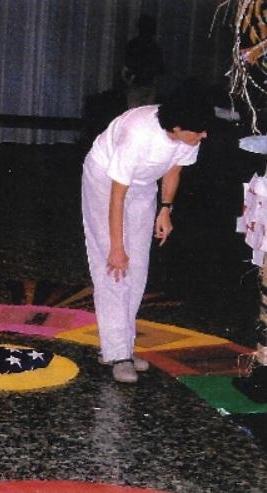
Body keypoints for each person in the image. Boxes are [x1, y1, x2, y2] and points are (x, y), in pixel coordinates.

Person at [81, 84, 213, 383]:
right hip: (105, 180)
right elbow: (117, 195)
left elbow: (174, 170)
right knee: (114, 266)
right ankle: (117, 354)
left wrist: (165, 209)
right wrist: (116, 247)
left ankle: (120, 347)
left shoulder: (189, 133)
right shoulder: (138, 135)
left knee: (138, 265)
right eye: (199, 131)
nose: (204, 135)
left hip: (143, 185)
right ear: (176, 128)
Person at [123, 14, 164, 108]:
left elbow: (126, 68)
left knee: (133, 113)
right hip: (149, 85)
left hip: (136, 85)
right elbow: (160, 69)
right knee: (147, 113)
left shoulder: (133, 45)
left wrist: (130, 80)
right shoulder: (155, 47)